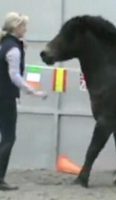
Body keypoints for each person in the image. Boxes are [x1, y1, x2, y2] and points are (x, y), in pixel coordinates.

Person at [0, 12, 47, 191]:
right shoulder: (13, 49)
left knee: (5, 138)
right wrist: (33, 91)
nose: (26, 30)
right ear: (15, 28)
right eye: (23, 27)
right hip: (5, 98)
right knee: (8, 138)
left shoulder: (5, 44)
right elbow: (14, 76)